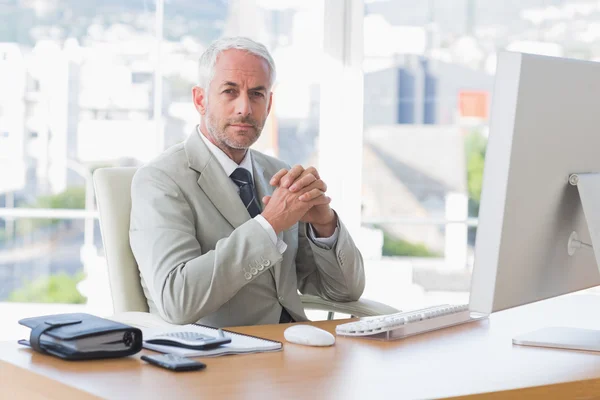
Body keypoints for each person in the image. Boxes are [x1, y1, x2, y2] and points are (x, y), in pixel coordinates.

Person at [129, 36, 365, 327]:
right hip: (221, 360)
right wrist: (269, 224)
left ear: (269, 104)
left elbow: (345, 291)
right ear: (200, 100)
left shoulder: (278, 174)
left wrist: (324, 225)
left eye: (257, 94)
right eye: (230, 91)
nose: (245, 108)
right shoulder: (160, 181)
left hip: (294, 348)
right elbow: (178, 301)